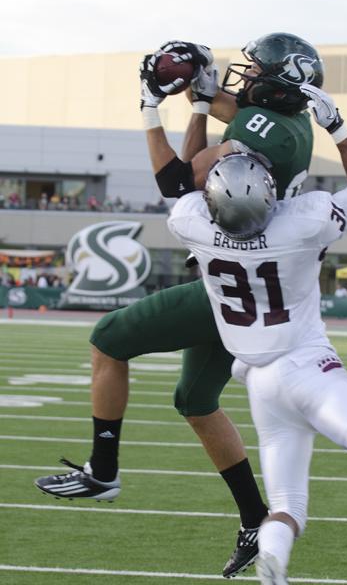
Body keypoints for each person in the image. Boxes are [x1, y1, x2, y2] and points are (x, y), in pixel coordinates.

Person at [35, 33, 323, 578]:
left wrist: (150, 105)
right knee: (195, 401)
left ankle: (103, 468)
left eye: (256, 70)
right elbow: (229, 119)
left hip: (227, 285)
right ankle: (255, 518)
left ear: (278, 82)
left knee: (107, 341)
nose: (246, 77)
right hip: (255, 285)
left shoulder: (260, 130)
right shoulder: (293, 125)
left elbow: (176, 179)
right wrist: (198, 95)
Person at [167, 88, 347, 583]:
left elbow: (183, 181)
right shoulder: (303, 222)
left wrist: (198, 109)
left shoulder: (191, 223)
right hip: (305, 364)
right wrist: (338, 128)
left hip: (259, 382)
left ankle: (273, 562)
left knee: (286, 505)